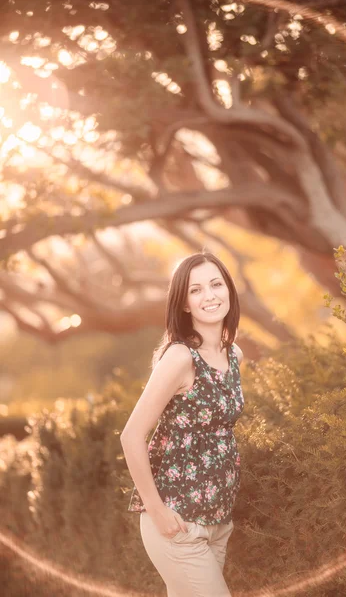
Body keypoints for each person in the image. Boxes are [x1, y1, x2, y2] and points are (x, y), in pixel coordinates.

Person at [120, 250, 245, 597]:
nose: (210, 295)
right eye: (196, 289)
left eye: (216, 284)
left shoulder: (234, 355)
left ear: (229, 291)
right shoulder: (179, 357)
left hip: (218, 522)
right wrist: (157, 511)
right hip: (178, 522)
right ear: (185, 304)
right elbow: (131, 436)